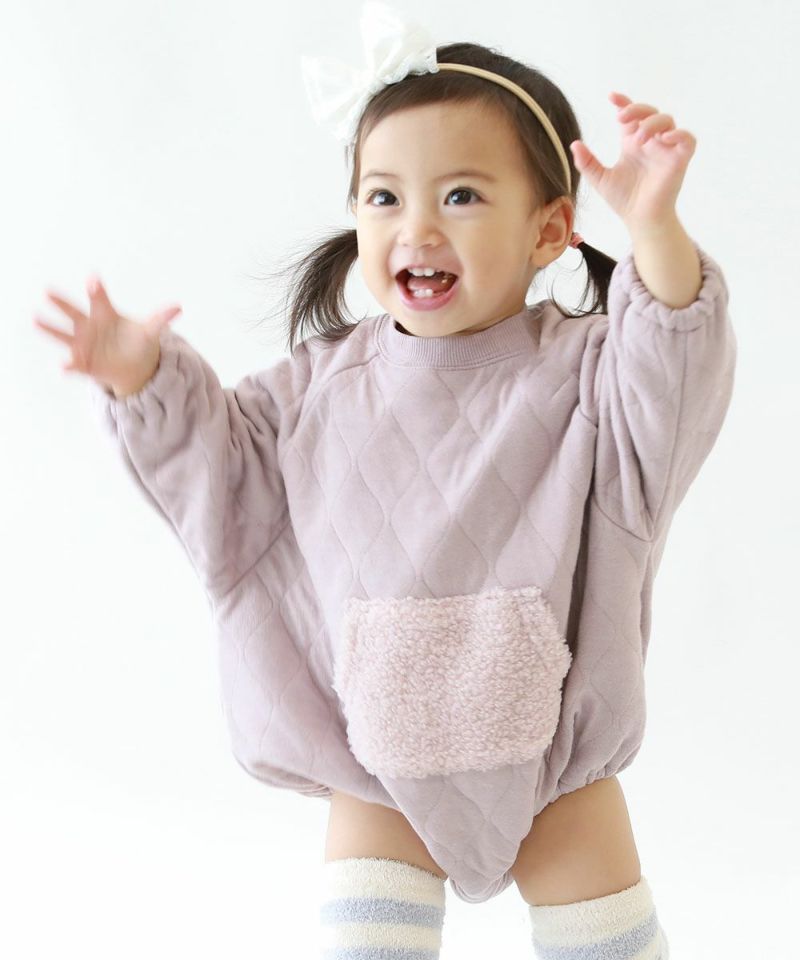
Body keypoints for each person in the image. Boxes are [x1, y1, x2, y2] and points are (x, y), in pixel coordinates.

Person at [33, 2, 737, 957]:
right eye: (383, 197)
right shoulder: (317, 390)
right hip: (379, 765)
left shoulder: (590, 374)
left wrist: (656, 228)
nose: (418, 228)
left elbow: (673, 371)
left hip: (558, 761)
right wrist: (145, 378)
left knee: (603, 942)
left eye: (462, 195)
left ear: (550, 230)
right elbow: (220, 480)